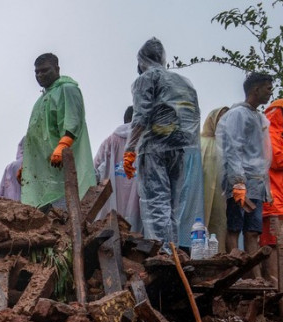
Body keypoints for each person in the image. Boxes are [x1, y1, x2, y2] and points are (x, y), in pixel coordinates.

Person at [123, 38, 203, 250]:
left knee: (156, 202)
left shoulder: (146, 79)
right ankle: (172, 250)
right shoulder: (183, 81)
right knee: (173, 205)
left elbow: (140, 116)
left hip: (153, 148)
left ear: (142, 61)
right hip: (180, 147)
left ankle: (163, 254)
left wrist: (130, 148)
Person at [216, 72, 274, 276]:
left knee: (253, 230)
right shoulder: (237, 114)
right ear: (255, 89)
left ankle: (255, 276)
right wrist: (238, 182)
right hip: (239, 179)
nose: (270, 92)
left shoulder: (260, 117)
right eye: (267, 87)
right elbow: (232, 149)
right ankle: (234, 272)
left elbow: (262, 155)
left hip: (256, 181)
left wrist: (265, 186)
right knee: (235, 226)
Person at [20, 53, 95, 208]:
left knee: (63, 214)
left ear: (57, 69)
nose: (40, 75)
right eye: (37, 72)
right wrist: (29, 167)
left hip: (62, 170)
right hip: (45, 173)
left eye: (45, 70)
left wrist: (63, 144)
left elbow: (73, 120)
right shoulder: (41, 100)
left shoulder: (67, 89)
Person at [94, 107, 141, 231]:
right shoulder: (146, 142)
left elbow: (95, 169)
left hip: (112, 205)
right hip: (137, 208)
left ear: (125, 120)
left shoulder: (110, 140)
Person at [261, 98, 283, 281]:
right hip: (272, 199)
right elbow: (277, 160)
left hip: (278, 198)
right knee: (272, 243)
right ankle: (274, 282)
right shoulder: (270, 132)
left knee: (278, 242)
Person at [201, 106, 230, 244]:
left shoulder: (228, 145)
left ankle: (219, 254)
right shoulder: (200, 142)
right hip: (201, 189)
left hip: (221, 192)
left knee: (219, 220)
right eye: (221, 118)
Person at [0, 137, 24, 202]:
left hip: (11, 206)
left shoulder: (11, 166)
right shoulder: (37, 165)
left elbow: (0, 191)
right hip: (31, 207)